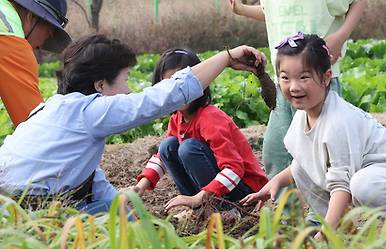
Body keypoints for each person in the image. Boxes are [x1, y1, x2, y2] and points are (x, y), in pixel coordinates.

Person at [0, 34, 265, 214]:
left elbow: (89, 176)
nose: (128, 90)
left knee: (119, 215)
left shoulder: (48, 108)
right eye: (125, 79)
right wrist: (225, 58)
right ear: (100, 85)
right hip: (34, 208)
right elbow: (162, 98)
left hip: (8, 204)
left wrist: (128, 205)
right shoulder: (92, 110)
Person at [241, 33, 386, 229]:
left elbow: (341, 186)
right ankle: (344, 232)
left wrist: (326, 233)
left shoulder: (338, 121)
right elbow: (304, 162)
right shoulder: (304, 115)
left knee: (362, 184)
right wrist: (275, 182)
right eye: (285, 78)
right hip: (372, 178)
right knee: (302, 169)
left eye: (304, 77)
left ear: (326, 77)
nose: (293, 87)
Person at [228, 0, 367, 179]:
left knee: (325, 153)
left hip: (317, 82)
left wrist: (341, 36)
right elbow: (277, 12)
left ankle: (330, 203)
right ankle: (284, 205)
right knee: (276, 151)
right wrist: (242, 9)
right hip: (284, 85)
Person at [131, 48, 268, 211]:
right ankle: (201, 208)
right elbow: (162, 157)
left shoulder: (210, 118)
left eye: (182, 83)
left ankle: (226, 209)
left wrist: (199, 197)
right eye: (169, 85)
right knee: (168, 146)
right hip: (217, 189)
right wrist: (140, 186)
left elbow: (234, 169)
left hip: (246, 192)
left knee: (188, 149)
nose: (177, 91)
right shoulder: (177, 118)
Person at [0, 0, 71, 127]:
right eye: (51, 31)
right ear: (31, 16)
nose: (44, 44)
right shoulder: (11, 39)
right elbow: (34, 128)